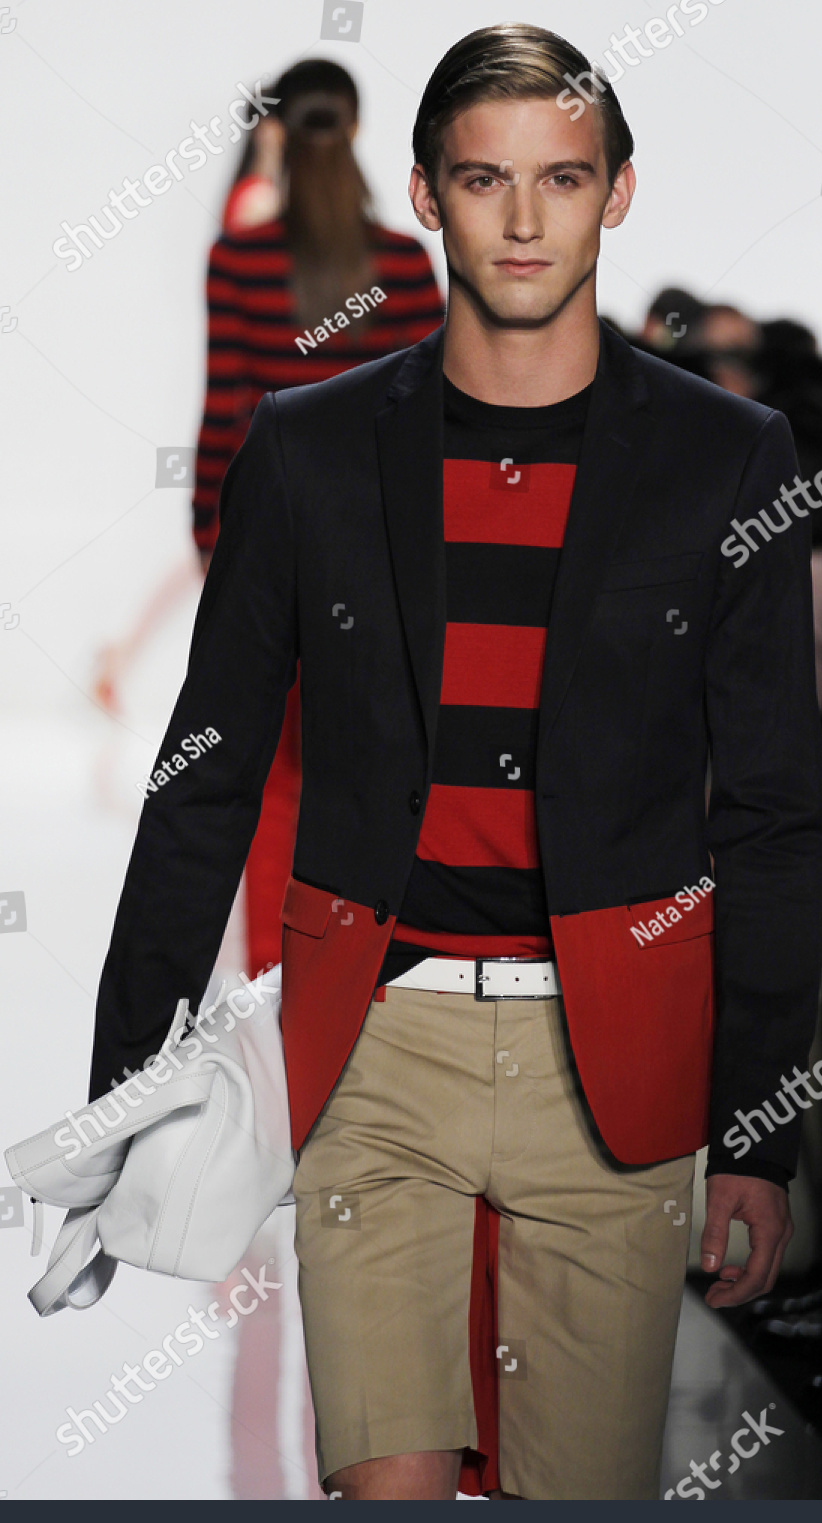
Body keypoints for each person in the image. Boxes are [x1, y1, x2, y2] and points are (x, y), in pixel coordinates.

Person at [87, 23, 822, 1501]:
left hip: (614, 1056)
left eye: (561, 177)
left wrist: (758, 1129)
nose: (522, 217)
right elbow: (207, 774)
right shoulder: (309, 451)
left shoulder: (726, 459)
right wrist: (125, 1090)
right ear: (424, 195)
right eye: (484, 178)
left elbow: (768, 809)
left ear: (617, 193)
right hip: (377, 1046)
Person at [193, 59, 445, 979]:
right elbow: (432, 422)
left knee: (270, 771)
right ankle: (367, 968)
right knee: (378, 762)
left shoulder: (239, 262)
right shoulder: (405, 265)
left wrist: (206, 538)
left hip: (268, 550)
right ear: (358, 124)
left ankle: (275, 979)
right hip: (383, 556)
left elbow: (224, 408)